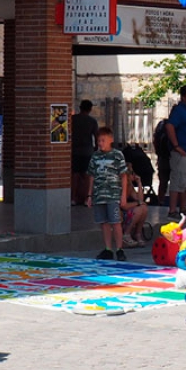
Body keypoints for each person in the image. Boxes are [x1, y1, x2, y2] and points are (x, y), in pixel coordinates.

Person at [87, 127, 129, 261]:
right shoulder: (95, 156)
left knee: (115, 222)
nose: (100, 143)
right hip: (99, 195)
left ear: (111, 140)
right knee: (103, 223)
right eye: (99, 141)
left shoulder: (117, 155)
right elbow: (92, 176)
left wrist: (123, 196)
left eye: (103, 140)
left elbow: (123, 176)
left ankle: (120, 249)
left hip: (113, 195)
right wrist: (89, 195)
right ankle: (108, 249)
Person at [165, 84, 186, 219]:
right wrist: (176, 145)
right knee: (177, 181)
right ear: (183, 97)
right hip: (181, 152)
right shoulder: (179, 110)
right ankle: (172, 210)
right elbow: (170, 126)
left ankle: (183, 208)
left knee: (185, 182)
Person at [71, 100, 99, 206]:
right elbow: (96, 136)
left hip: (74, 150)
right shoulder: (92, 121)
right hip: (87, 151)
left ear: (80, 107)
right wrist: (96, 148)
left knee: (75, 175)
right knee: (87, 176)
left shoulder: (73, 119)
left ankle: (73, 198)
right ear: (90, 109)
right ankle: (86, 199)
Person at [120, 162, 148, 247]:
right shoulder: (121, 185)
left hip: (127, 211)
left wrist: (139, 183)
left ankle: (138, 234)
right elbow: (123, 205)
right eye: (132, 173)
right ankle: (126, 234)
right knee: (139, 209)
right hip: (119, 213)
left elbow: (140, 199)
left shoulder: (130, 186)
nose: (134, 175)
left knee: (144, 208)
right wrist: (137, 203)